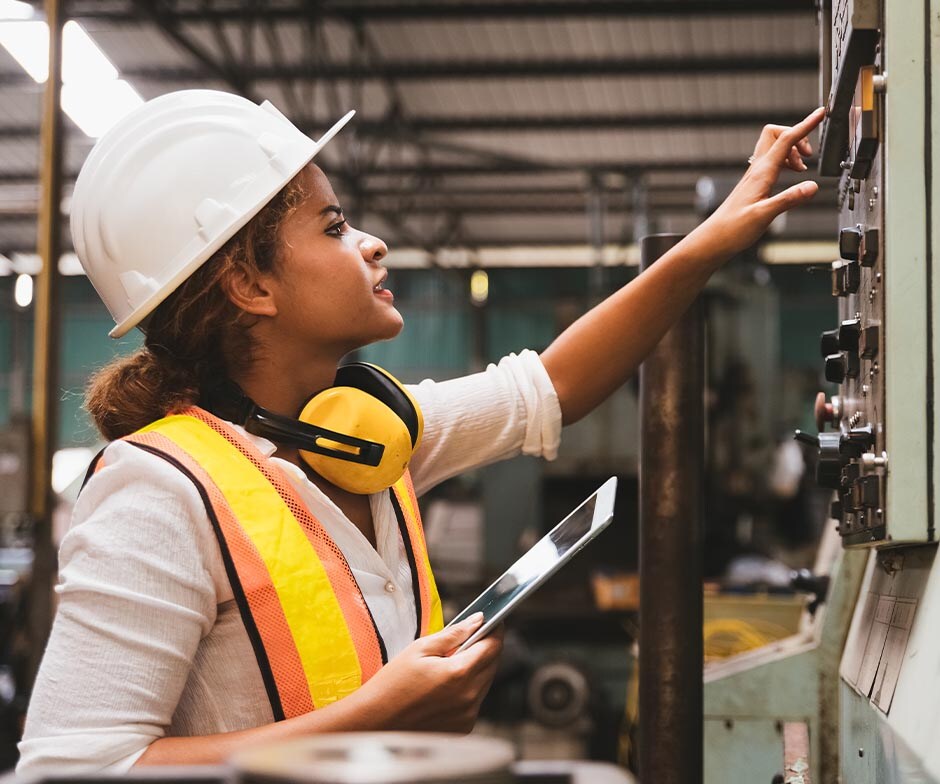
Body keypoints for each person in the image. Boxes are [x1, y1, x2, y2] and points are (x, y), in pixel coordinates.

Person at [17, 90, 824, 772]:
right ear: (249, 284)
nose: (371, 242)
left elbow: (552, 385)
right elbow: (70, 768)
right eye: (333, 229)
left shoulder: (372, 438)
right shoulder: (156, 491)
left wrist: (713, 238)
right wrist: (378, 717)